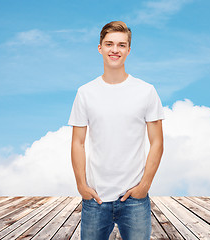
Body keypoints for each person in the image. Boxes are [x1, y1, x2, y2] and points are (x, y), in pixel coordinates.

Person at [68, 21, 164, 240]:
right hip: (95, 198)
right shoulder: (85, 92)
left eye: (121, 45)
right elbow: (78, 142)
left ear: (128, 50)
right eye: (109, 44)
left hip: (135, 199)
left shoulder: (146, 91)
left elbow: (157, 142)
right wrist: (81, 185)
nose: (115, 50)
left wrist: (144, 186)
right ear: (100, 47)